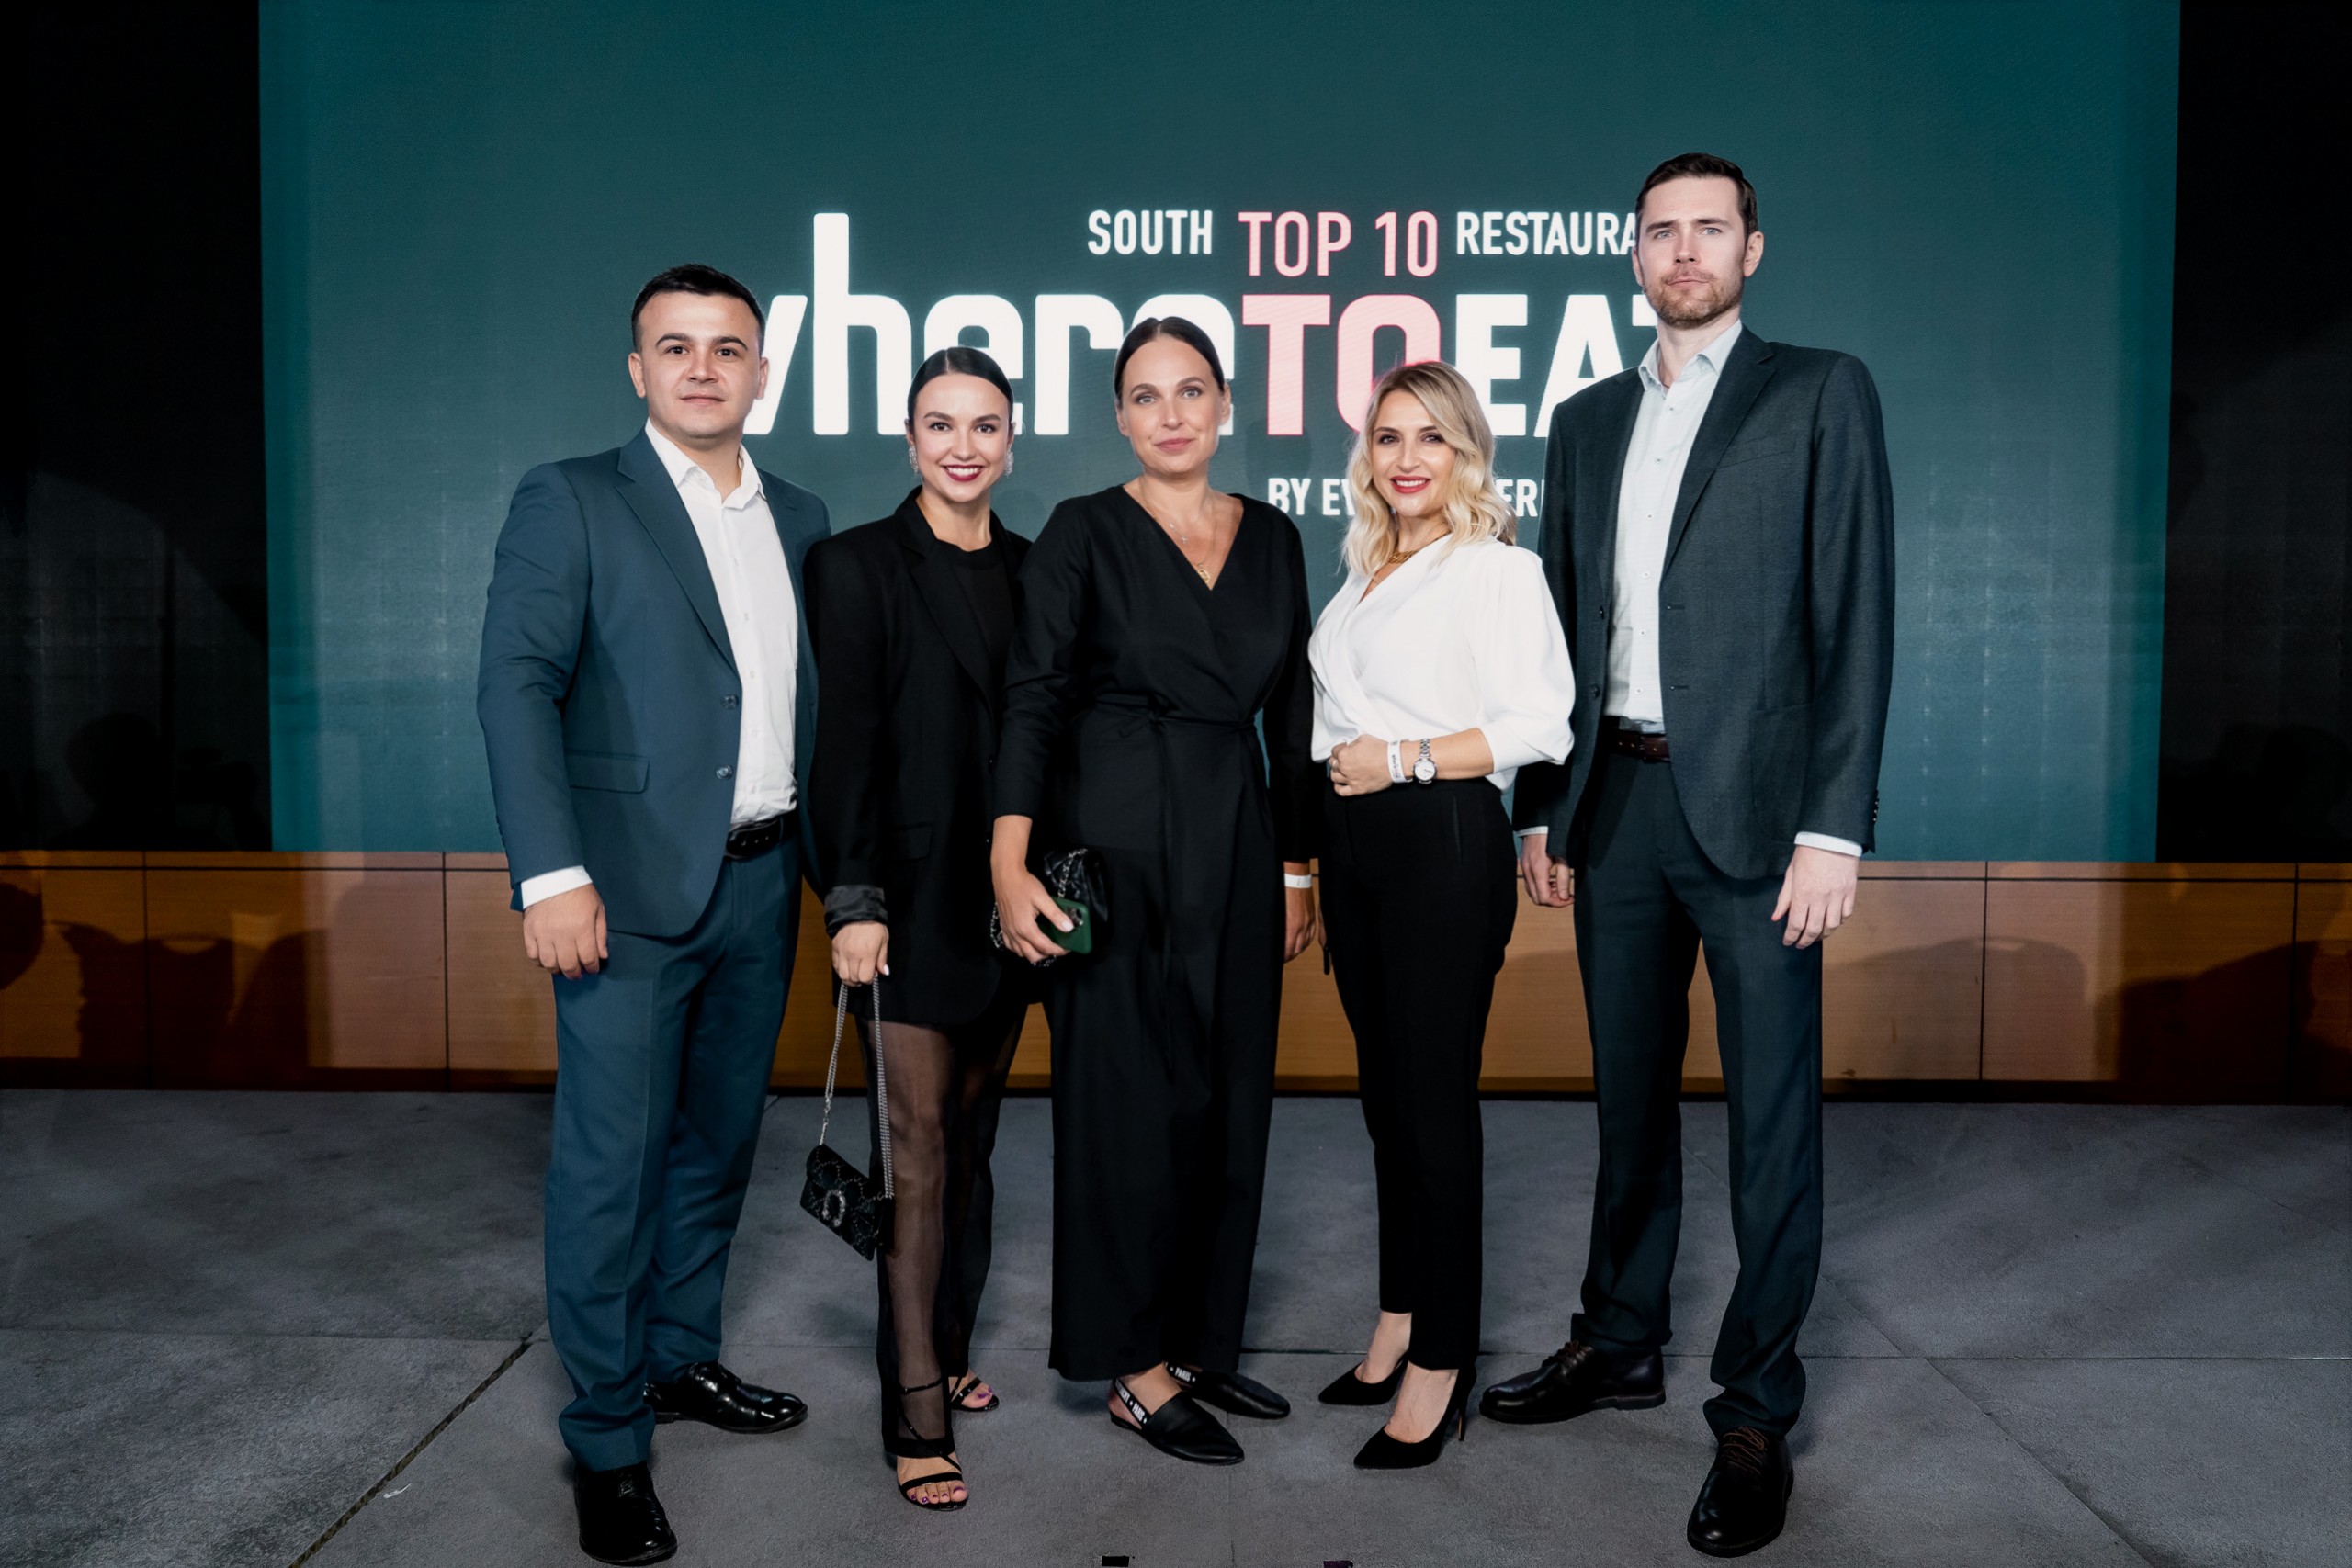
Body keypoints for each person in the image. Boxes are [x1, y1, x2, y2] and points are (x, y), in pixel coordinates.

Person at [1492, 153, 1895, 1558]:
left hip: (1763, 823)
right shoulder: (1586, 419)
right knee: (1627, 1100)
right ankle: (1619, 1337)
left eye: (1709, 229)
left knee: (1771, 1121)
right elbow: (1558, 622)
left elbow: (1854, 614)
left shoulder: (1819, 391)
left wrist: (1833, 825)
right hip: (1616, 805)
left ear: (1751, 249)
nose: (1684, 250)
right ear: (1633, 253)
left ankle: (1756, 1409)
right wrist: (1543, 804)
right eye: (1661, 231)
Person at [477, 264, 828, 1565]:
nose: (700, 368)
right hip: (620, 898)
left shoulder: (802, 515)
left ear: (760, 373)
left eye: (726, 348)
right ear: (637, 370)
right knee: (609, 1171)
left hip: (763, 881)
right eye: (674, 347)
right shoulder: (571, 497)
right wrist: (550, 873)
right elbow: (515, 684)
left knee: (717, 1147)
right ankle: (610, 1438)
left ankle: (681, 1359)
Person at [989, 317, 1319, 1466]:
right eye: (1144, 395)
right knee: (1124, 1106)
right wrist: (1008, 861)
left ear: (1226, 404)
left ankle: (1196, 1341)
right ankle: (1130, 1368)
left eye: (1190, 391)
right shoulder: (1081, 532)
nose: (1170, 414)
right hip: (1113, 840)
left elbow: (1294, 716)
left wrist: (1296, 867)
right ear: (1119, 418)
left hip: (1237, 834)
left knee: (1228, 1097)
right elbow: (1032, 699)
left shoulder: (1274, 536)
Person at [1308, 360, 1575, 1469]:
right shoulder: (1362, 571)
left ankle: (1442, 1361)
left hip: (1440, 840)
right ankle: (1399, 1317)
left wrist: (1406, 758)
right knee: (1386, 1106)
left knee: (1432, 1108)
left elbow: (1541, 724)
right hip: (1355, 847)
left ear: (1467, 453)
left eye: (1431, 437)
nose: (1407, 457)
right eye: (1387, 437)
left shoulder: (1498, 570)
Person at [804, 346, 1033, 1512]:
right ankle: (914, 1411)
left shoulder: (1037, 570)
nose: (962, 446)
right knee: (917, 1150)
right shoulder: (854, 564)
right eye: (940, 425)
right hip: (899, 904)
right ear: (908, 439)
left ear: (1011, 440)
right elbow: (841, 743)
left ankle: (947, 1344)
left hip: (1002, 904)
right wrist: (851, 901)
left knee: (974, 1140)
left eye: (983, 425)